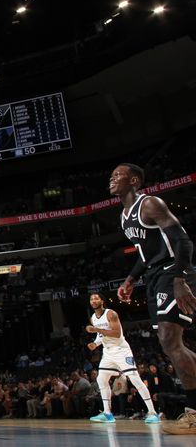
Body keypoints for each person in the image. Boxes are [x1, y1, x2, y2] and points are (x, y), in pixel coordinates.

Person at [111, 163, 196, 434]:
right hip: (154, 275)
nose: (112, 179)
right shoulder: (124, 217)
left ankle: (193, 414)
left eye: (118, 175)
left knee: (170, 340)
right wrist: (131, 279)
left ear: (134, 180)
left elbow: (183, 241)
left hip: (173, 272)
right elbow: (144, 253)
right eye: (111, 176)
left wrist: (180, 279)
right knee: (169, 344)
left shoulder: (149, 204)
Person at [86, 292, 159, 423]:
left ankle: (153, 413)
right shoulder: (93, 318)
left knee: (135, 379)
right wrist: (95, 344)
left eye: (96, 298)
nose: (93, 300)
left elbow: (116, 333)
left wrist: (96, 330)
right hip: (108, 352)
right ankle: (107, 414)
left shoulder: (111, 314)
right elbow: (101, 337)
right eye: (91, 299)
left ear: (102, 301)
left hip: (121, 351)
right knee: (101, 379)